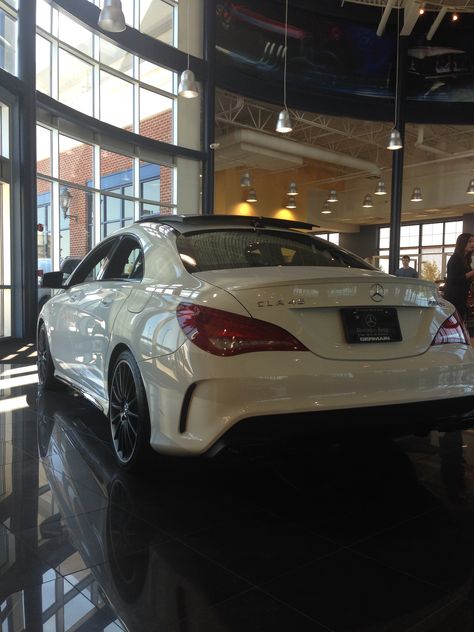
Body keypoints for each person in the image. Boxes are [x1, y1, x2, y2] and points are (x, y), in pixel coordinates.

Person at [443, 232, 474, 321]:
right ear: (462, 243)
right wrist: (471, 273)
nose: (472, 244)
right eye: (469, 241)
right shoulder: (455, 259)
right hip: (454, 298)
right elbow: (452, 280)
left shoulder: (466, 260)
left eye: (473, 242)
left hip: (461, 297)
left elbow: (465, 279)